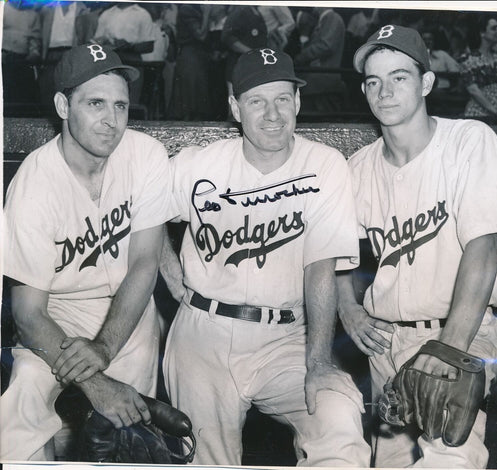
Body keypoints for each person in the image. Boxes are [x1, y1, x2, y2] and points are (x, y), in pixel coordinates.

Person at [160, 48, 371, 466]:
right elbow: (143, 216)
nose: (272, 114)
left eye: (282, 99)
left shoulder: (325, 165)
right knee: (206, 460)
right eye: (257, 101)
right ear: (236, 107)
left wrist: (318, 362)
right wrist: (169, 271)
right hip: (204, 334)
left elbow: (321, 267)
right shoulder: (199, 164)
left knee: (339, 419)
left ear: (298, 102)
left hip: (289, 338)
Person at [338, 25, 497, 468]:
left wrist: (449, 349)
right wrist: (350, 310)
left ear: (426, 82)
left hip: (461, 331)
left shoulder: (468, 141)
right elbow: (336, 254)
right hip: (384, 342)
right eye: (373, 81)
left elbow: (482, 250)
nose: (384, 91)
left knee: (450, 457)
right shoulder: (357, 168)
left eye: (399, 77)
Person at [1, 43, 173, 461]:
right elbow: (27, 313)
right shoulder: (34, 183)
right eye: (95, 103)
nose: (111, 121)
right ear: (63, 104)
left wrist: (105, 349)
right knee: (20, 407)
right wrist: (97, 383)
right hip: (55, 313)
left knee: (129, 433)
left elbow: (145, 263)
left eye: (120, 106)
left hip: (128, 310)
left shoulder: (145, 154)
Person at [294, 7, 347, 113]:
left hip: (323, 82)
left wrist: (301, 57)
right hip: (318, 82)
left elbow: (326, 45)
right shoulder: (324, 20)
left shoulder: (332, 18)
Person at [460, 15, 497, 119]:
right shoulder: (468, 59)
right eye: (494, 28)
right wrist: (495, 111)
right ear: (482, 32)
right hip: (479, 113)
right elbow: (473, 90)